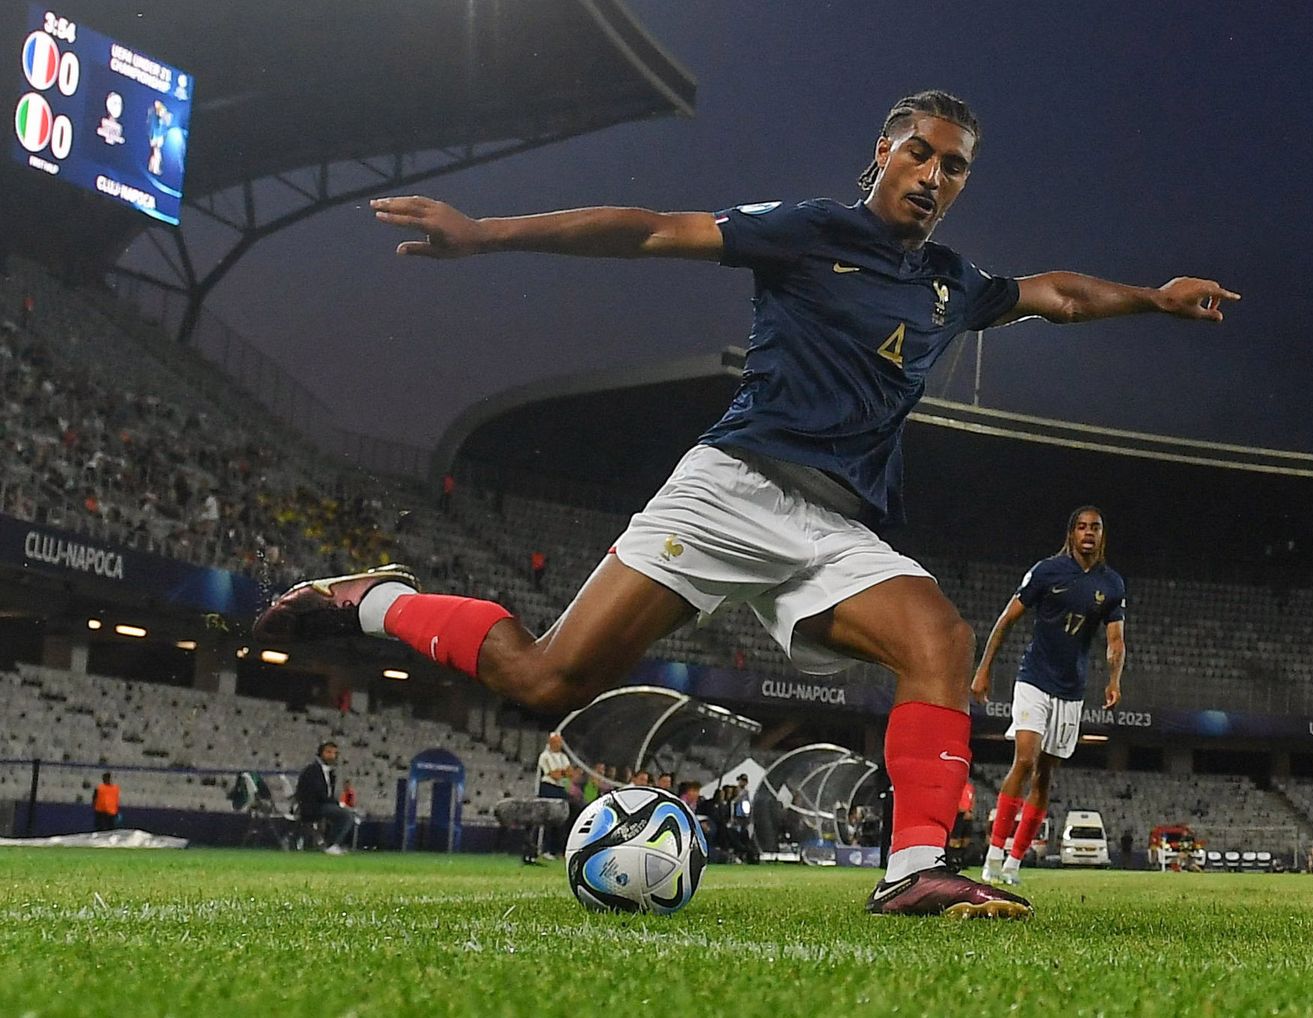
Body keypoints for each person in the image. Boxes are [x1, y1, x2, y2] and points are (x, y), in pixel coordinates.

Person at [254, 89, 1236, 919]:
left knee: (934, 635)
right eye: (921, 153)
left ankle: (913, 870)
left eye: (957, 165)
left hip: (834, 527)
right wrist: (485, 233)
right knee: (549, 681)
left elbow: (1055, 294)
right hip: (730, 490)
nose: (935, 175)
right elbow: (649, 230)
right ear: (883, 153)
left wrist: (1152, 296)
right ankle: (375, 598)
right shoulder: (810, 231)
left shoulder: (950, 284)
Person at [971, 506, 1126, 886]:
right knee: (1024, 759)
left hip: (1071, 691)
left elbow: (1116, 640)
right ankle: (993, 855)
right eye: (1082, 527)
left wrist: (1114, 678)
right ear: (1071, 533)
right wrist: (984, 669)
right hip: (1034, 679)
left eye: (1096, 527)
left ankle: (1014, 864)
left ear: (1102, 535)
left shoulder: (1112, 584)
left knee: (1045, 775)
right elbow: (1007, 619)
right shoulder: (1046, 571)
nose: (1089, 533)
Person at [295, 741, 355, 854]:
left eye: (334, 753)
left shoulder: (330, 773)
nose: (332, 755)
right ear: (320, 753)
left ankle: (332, 844)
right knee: (346, 815)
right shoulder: (312, 770)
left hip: (321, 804)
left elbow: (327, 794)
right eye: (328, 752)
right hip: (312, 806)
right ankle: (331, 845)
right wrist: (336, 803)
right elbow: (318, 794)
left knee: (345, 813)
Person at [535, 733, 574, 860]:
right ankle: (546, 849)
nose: (560, 745)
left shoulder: (563, 756)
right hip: (548, 788)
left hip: (560, 788)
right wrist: (563, 772)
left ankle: (559, 849)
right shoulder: (544, 756)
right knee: (548, 819)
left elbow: (570, 773)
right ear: (551, 743)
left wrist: (561, 772)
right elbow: (553, 774)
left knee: (562, 820)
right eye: (557, 742)